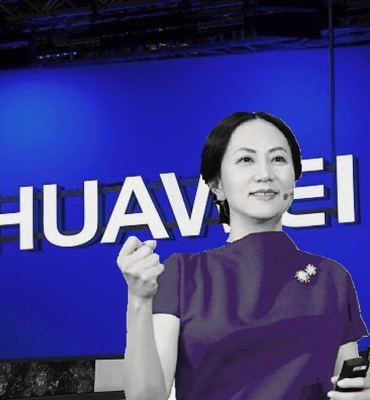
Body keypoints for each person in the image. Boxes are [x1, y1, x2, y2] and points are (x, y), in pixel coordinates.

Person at [117, 112, 369, 400]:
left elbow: (346, 388)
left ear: (293, 180)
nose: (265, 174)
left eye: (278, 159)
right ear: (217, 185)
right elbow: (146, 397)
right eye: (246, 159)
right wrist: (139, 300)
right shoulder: (182, 275)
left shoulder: (332, 278)